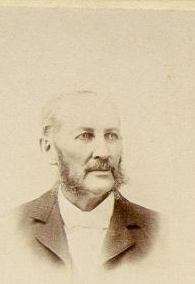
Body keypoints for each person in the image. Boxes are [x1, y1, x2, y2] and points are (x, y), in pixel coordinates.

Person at [14, 91, 157, 274]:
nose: (103, 152)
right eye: (85, 136)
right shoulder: (9, 230)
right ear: (49, 148)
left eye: (111, 136)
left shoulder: (160, 232)